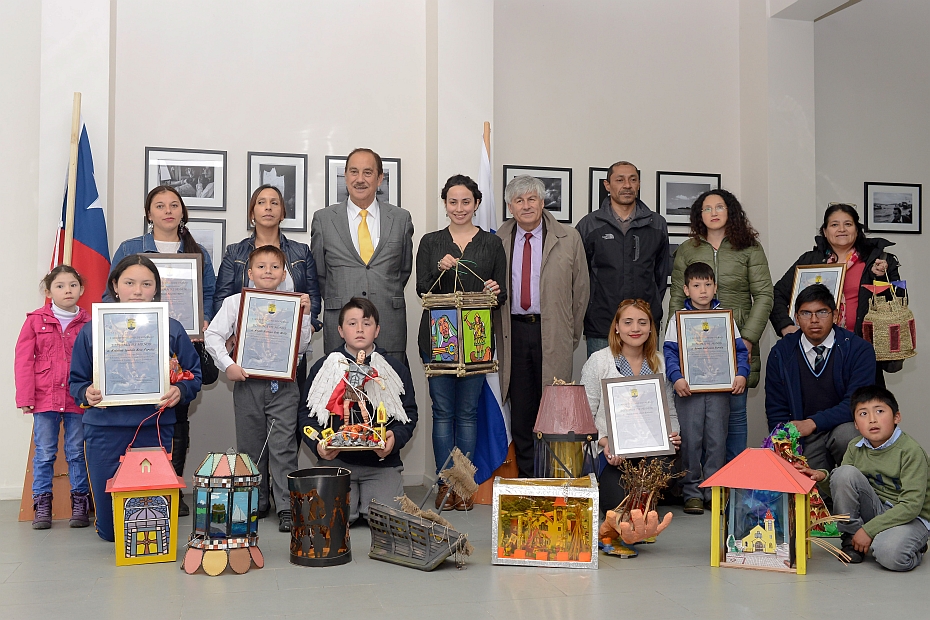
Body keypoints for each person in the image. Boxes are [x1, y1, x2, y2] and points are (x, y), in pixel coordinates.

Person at [70, 254, 202, 542]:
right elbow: (76, 381)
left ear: (156, 289)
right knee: (112, 532)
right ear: (116, 286)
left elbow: (195, 375)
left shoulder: (172, 328)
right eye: (129, 283)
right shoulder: (92, 329)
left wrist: (180, 390)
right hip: (105, 430)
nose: (138, 291)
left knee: (150, 527)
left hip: (154, 428)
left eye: (146, 283)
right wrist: (86, 393)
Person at [107, 185, 220, 516]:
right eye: (159, 205)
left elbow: (209, 294)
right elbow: (109, 291)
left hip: (179, 344)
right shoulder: (131, 248)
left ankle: (172, 484)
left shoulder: (199, 253)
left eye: (174, 205)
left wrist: (204, 321)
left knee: (177, 414)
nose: (168, 210)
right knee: (137, 414)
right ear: (149, 213)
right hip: (136, 343)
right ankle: (133, 485)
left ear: (183, 212)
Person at [205, 245, 315, 533]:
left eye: (275, 267)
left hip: (284, 385)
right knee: (251, 448)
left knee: (283, 448)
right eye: (262, 266)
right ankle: (255, 502)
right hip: (248, 384)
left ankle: (285, 507)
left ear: (284, 274)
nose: (268, 271)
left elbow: (302, 347)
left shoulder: (293, 304)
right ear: (250, 272)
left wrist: (304, 316)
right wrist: (227, 364)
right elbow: (213, 335)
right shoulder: (235, 302)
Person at [415, 174, 506, 509]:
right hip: (439, 336)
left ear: (477, 204)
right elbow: (422, 288)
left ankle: (463, 487)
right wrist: (439, 269)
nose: (459, 208)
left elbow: (502, 294)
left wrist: (495, 291)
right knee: (443, 412)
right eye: (452, 202)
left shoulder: (492, 244)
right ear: (445, 204)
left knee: (467, 413)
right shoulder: (430, 242)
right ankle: (444, 485)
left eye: (466, 201)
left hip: (477, 338)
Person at [669, 189, 773, 462]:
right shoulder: (687, 249)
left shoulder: (749, 247)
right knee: (694, 419)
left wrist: (747, 338)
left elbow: (764, 295)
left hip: (737, 344)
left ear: (731, 212)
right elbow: (676, 299)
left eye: (719, 207)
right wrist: (676, 345)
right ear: (698, 215)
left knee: (735, 416)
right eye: (707, 208)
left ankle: (733, 486)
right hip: (695, 348)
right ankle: (696, 486)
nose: (713, 213)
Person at [496, 175, 589, 477]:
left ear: (542, 201)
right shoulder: (497, 239)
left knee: (554, 407)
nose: (526, 206)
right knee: (522, 410)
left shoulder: (568, 238)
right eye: (519, 200)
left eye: (532, 199)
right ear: (510, 206)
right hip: (514, 333)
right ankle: (527, 476)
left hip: (554, 333)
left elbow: (581, 292)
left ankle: (552, 476)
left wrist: (570, 334)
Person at [299, 298, 418, 524]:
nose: (360, 329)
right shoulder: (323, 367)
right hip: (336, 463)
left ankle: (371, 497)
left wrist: (395, 439)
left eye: (367, 323)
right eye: (352, 324)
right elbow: (306, 416)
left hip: (381, 463)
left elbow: (409, 415)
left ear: (377, 330)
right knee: (334, 519)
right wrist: (318, 446)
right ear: (340, 331)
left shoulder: (394, 369)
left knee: (386, 520)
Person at [793, 386, 930, 571]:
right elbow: (843, 488)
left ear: (896, 417)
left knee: (890, 556)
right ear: (856, 424)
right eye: (863, 414)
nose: (872, 419)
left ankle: (914, 546)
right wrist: (822, 477)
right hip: (877, 509)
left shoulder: (910, 451)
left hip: (910, 518)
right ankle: (851, 540)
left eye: (880, 411)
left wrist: (868, 530)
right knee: (843, 472)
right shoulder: (855, 446)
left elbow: (911, 506)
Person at [769, 203, 899, 385]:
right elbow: (777, 294)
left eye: (848, 224)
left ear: (857, 229)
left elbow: (897, 300)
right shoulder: (810, 261)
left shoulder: (878, 260)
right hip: (818, 350)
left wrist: (883, 278)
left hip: (862, 350)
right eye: (834, 224)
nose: (841, 230)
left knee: (864, 406)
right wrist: (785, 326)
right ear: (825, 230)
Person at [311, 148, 414, 362]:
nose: (360, 179)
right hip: (341, 326)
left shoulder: (401, 219)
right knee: (340, 393)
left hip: (389, 324)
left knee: (389, 393)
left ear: (379, 179)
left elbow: (402, 271)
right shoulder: (324, 219)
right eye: (353, 172)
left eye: (367, 173)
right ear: (346, 176)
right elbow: (320, 274)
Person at [664, 262, 749, 515]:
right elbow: (670, 352)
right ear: (686, 289)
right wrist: (677, 377)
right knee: (690, 441)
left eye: (708, 285)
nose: (703, 290)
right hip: (688, 391)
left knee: (716, 440)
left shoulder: (724, 318)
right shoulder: (677, 319)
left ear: (716, 287)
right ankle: (691, 492)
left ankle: (713, 490)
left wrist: (741, 374)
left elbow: (739, 352)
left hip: (719, 391)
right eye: (697, 285)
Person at [581, 299, 681, 512]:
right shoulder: (599, 362)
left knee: (668, 467)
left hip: (649, 452)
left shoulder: (660, 363)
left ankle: (643, 503)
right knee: (615, 505)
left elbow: (669, 411)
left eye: (642, 322)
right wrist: (607, 443)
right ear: (617, 327)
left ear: (651, 328)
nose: (635, 328)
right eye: (628, 322)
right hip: (611, 453)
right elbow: (585, 417)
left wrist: (673, 434)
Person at [214, 184, 322, 379]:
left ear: (282, 214)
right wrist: (232, 335)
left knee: (291, 406)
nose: (268, 207)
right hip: (250, 349)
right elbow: (221, 298)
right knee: (251, 403)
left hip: (291, 349)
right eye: (261, 202)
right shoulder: (235, 253)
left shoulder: (301, 252)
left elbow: (313, 296)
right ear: (252, 213)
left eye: (274, 203)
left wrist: (307, 327)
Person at [765, 284, 876, 471]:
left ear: (835, 315)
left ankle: (854, 492)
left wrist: (813, 423)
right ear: (797, 318)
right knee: (812, 495)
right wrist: (785, 442)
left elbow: (857, 404)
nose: (814, 320)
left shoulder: (858, 350)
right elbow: (777, 408)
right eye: (806, 313)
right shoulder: (781, 353)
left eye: (822, 312)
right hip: (804, 435)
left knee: (847, 437)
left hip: (844, 427)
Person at [15, 265, 91, 529]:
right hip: (44, 397)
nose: (67, 290)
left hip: (76, 397)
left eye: (72, 285)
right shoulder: (35, 320)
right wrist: (25, 396)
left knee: (76, 452)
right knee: (45, 452)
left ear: (81, 289)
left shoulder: (89, 322)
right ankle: (42, 505)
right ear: (48, 291)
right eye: (59, 286)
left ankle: (80, 503)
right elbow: (23, 361)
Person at [576, 161, 670, 357]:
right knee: (601, 385)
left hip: (644, 326)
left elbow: (660, 275)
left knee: (644, 385)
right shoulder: (589, 225)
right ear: (607, 185)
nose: (627, 185)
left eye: (632, 179)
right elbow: (579, 277)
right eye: (620, 180)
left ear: (638, 184)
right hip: (602, 324)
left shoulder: (657, 223)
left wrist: (648, 307)